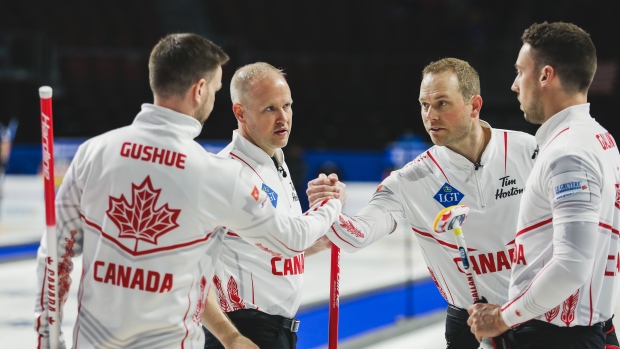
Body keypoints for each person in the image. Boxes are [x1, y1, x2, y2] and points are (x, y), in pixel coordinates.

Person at [34, 34, 342, 349]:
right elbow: (289, 238)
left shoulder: (94, 152)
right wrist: (331, 206)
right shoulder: (214, 173)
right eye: (216, 89)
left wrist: (47, 337)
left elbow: (55, 253)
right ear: (199, 90)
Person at [308, 57, 538, 348]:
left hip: (534, 314)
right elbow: (358, 235)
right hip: (469, 324)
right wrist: (330, 208)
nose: (430, 116)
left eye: (442, 103)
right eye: (424, 105)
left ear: (474, 105)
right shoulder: (409, 180)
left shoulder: (527, 150)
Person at [467, 21, 620, 349]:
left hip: (555, 337)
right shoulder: (600, 139)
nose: (514, 85)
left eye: (520, 72)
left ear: (545, 75)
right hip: (577, 329)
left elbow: (571, 264)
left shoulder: (569, 153)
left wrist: (503, 318)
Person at [201, 62, 335, 349]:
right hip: (246, 329)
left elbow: (263, 251)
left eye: (286, 106)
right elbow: (188, 269)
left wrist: (317, 242)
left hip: (276, 332)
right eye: (269, 109)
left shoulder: (276, 164)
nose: (283, 118)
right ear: (240, 112)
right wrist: (330, 207)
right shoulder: (228, 173)